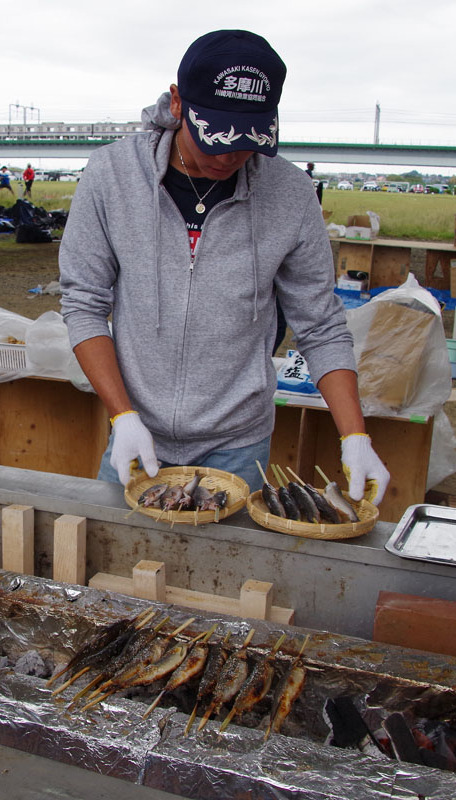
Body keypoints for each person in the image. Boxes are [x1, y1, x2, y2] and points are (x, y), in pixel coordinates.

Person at [59, 29, 390, 503]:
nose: (231, 155)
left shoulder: (291, 194)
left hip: (239, 442)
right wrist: (122, 415)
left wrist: (354, 436)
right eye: (217, 136)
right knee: (117, 568)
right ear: (177, 103)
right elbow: (84, 302)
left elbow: (320, 325)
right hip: (136, 432)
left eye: (249, 138)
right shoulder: (112, 175)